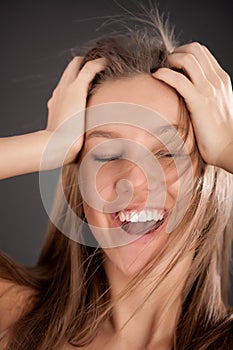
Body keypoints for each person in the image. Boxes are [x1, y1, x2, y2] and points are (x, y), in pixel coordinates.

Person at [0, 6, 233, 350]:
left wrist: (229, 146)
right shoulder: (13, 316)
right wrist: (47, 145)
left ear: (207, 181)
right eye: (107, 155)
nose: (133, 180)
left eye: (167, 153)